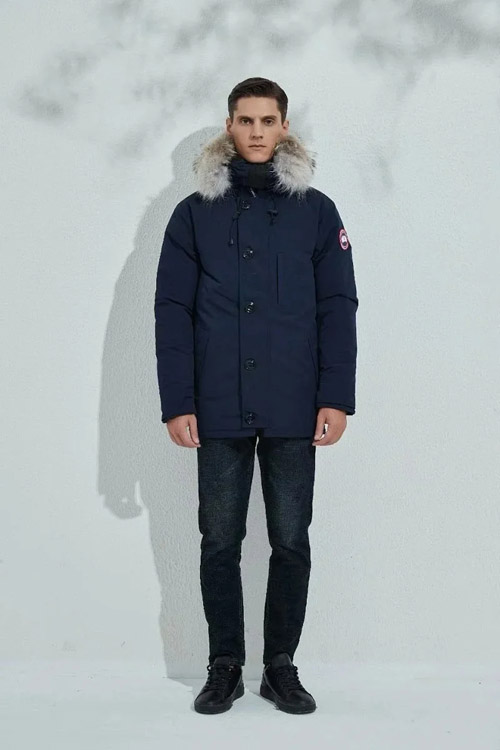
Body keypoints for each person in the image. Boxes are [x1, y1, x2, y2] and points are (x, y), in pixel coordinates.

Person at [154, 77, 359, 715]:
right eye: (246, 121)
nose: (257, 132)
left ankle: (279, 668)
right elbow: (171, 311)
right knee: (219, 540)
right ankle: (223, 667)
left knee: (290, 540)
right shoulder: (193, 213)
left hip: (296, 403)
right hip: (217, 403)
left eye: (268, 121)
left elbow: (338, 306)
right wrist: (177, 401)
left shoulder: (317, 211)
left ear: (284, 127)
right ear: (230, 126)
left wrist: (336, 396)